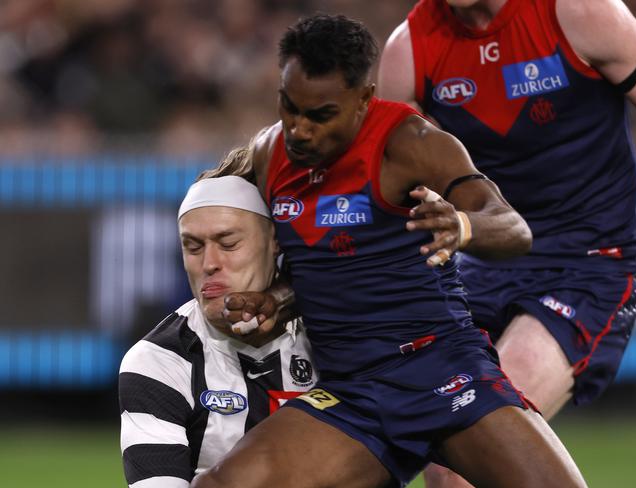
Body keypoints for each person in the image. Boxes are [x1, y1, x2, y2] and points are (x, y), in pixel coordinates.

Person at [191, 14, 586, 488]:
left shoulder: (412, 144)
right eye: (289, 107)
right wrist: (274, 299)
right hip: (352, 393)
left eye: (321, 115)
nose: (300, 130)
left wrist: (463, 225)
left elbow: (512, 228)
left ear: (364, 99)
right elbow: (314, 270)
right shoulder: (268, 154)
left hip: (443, 370)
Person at [378, 0, 636, 485]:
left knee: (478, 431)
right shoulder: (410, 53)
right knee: (446, 467)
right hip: (478, 264)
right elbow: (383, 188)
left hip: (587, 265)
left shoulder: (579, 13)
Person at [119, 162, 317, 488]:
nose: (210, 264)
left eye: (228, 243)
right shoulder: (159, 361)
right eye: (193, 247)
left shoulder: (333, 333)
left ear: (275, 241)